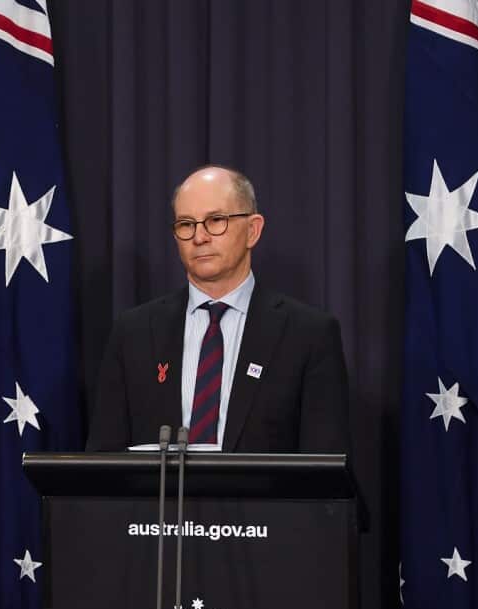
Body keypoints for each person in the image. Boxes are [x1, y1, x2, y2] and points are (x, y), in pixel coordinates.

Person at [86, 165, 349, 453]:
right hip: (160, 499)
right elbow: (103, 459)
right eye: (186, 224)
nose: (199, 237)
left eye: (216, 220)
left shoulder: (308, 336)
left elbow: (325, 471)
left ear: (252, 230)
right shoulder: (133, 333)